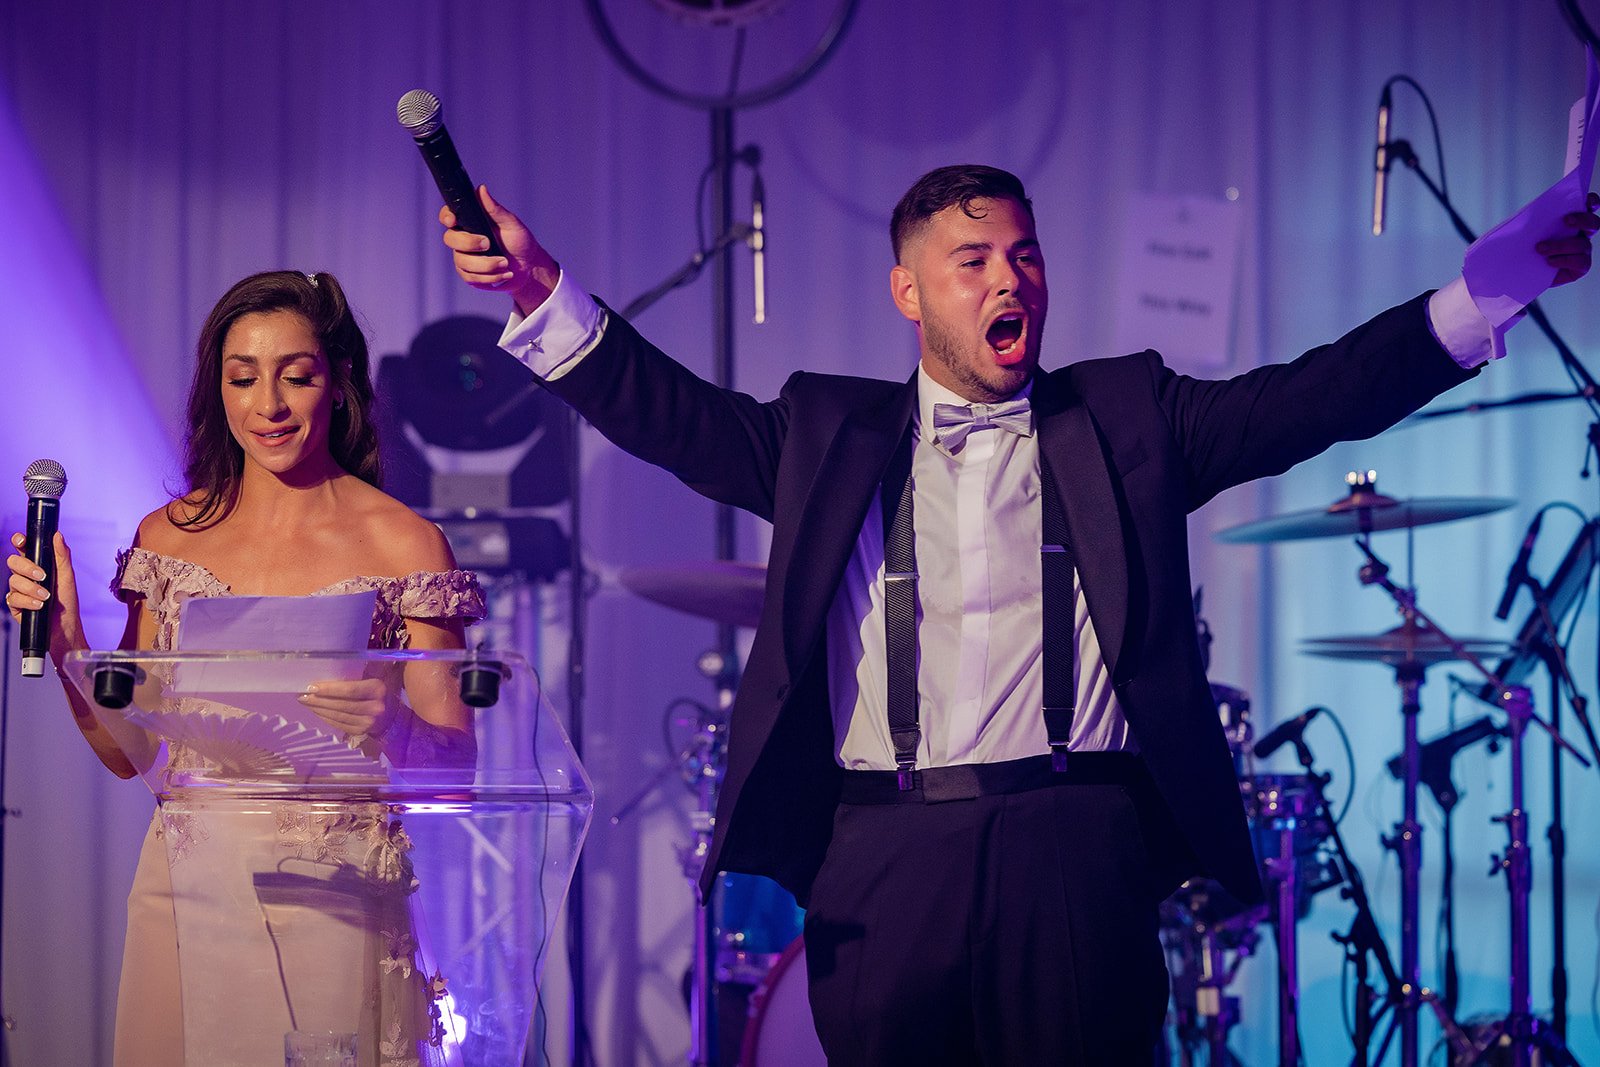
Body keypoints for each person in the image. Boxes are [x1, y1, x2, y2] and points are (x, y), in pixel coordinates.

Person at [438, 168, 1596, 1064]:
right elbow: (667, 413)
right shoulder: (824, 435)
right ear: (910, 292)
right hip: (886, 853)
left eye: (1024, 256)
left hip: (1074, 845)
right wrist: (544, 295)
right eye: (972, 260)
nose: (1009, 281)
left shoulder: (1126, 419)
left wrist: (1488, 288)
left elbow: (1312, 396)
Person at [6, 270, 486, 1065]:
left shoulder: (407, 545)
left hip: (334, 893)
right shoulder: (171, 538)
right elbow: (131, 754)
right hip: (187, 890)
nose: (268, 405)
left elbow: (458, 771)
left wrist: (397, 725)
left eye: (296, 376)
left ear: (337, 386)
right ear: (217, 390)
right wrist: (68, 651)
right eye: (243, 378)